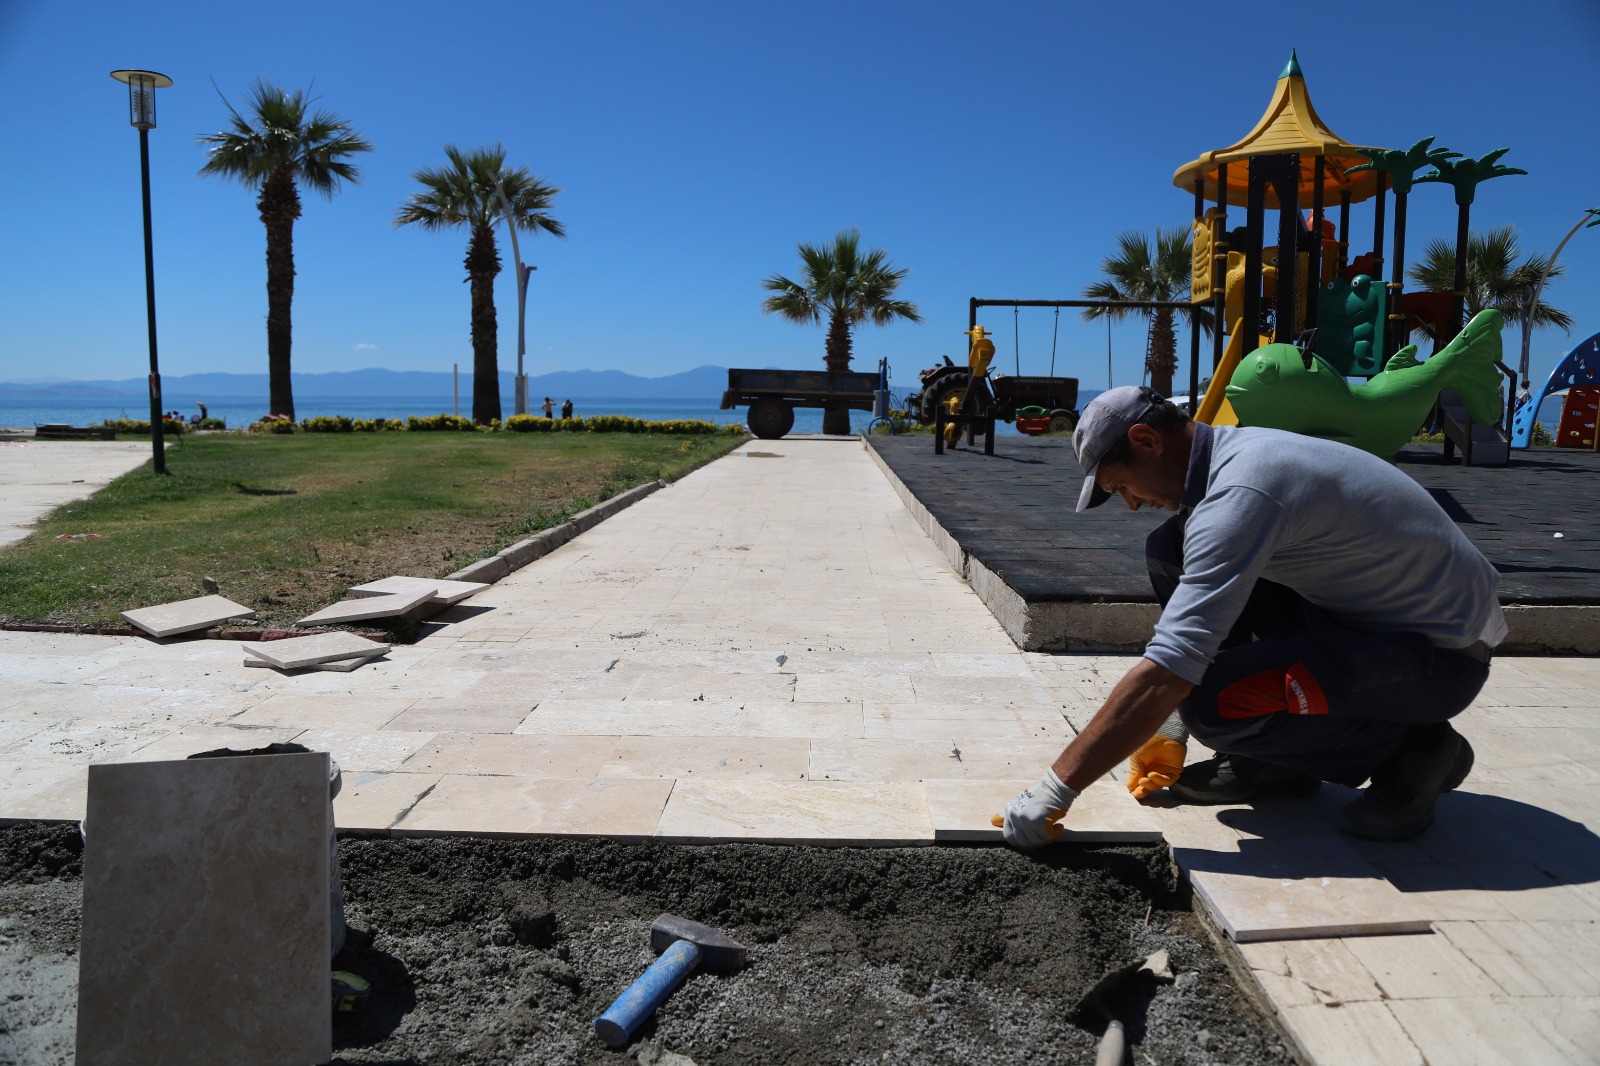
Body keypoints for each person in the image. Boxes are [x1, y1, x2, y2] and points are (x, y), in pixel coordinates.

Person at [1002, 386, 1505, 848]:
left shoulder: (1242, 492)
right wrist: (1170, 714)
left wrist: (1057, 786)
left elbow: (1170, 671)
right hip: (1367, 622)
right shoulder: (1234, 455)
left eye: (1120, 485)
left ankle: (1417, 749)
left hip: (1438, 655)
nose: (1131, 504)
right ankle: (1271, 762)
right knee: (1171, 547)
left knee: (1217, 705)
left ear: (1146, 440)